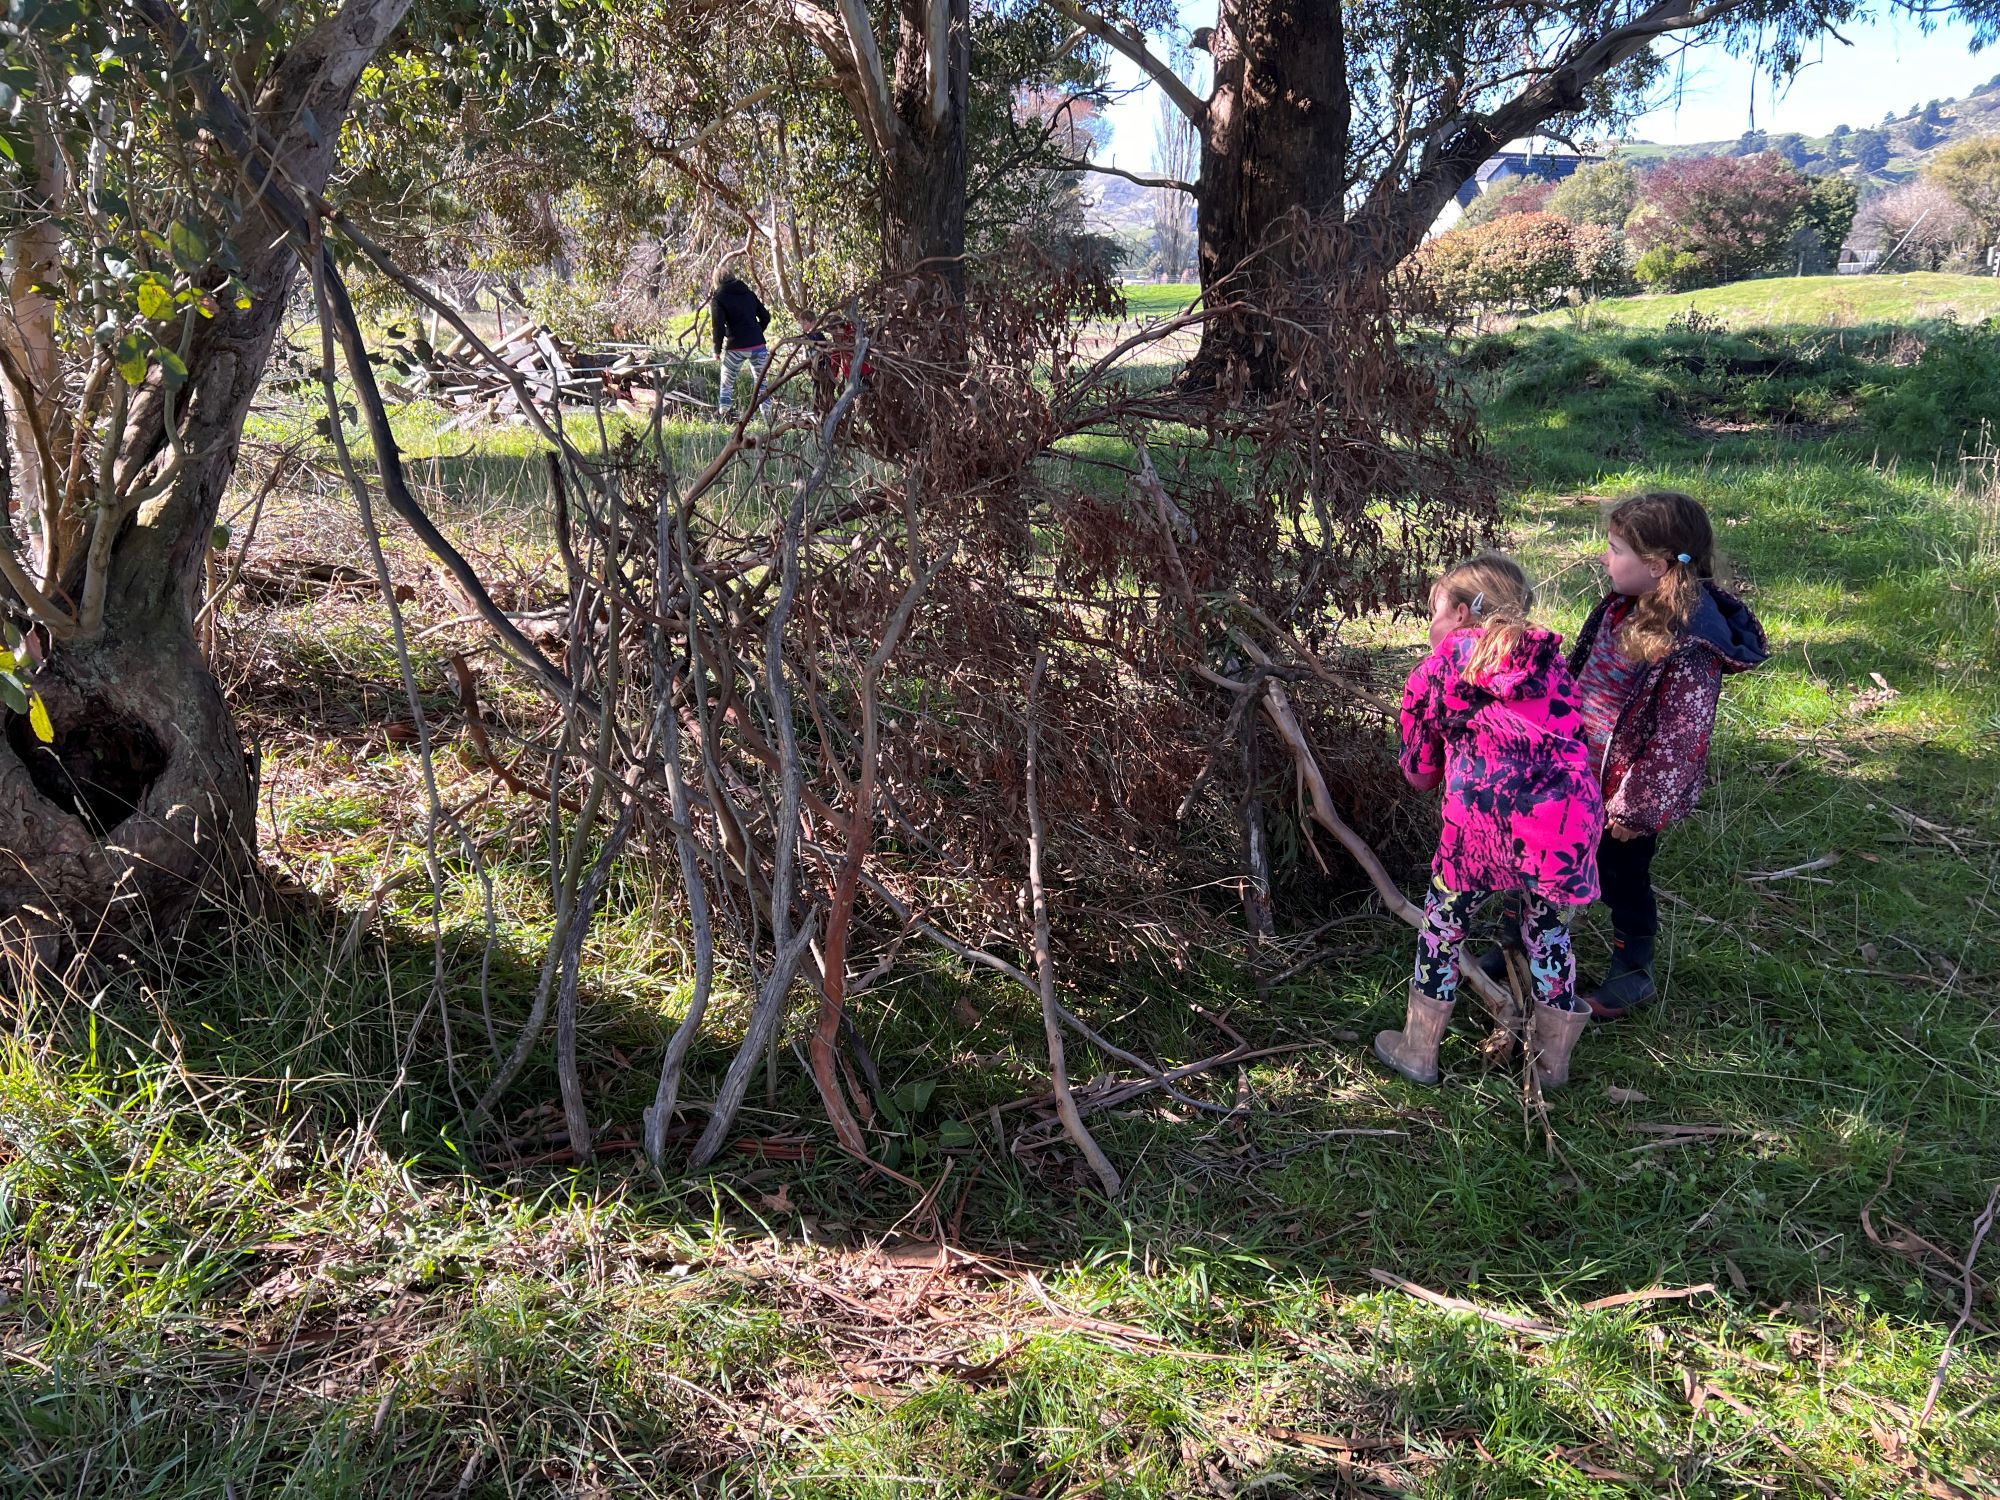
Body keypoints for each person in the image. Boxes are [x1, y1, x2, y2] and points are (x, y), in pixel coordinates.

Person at [1377, 553, 1605, 1090]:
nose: (1430, 625)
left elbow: (1420, 774)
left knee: (1442, 928)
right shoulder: (1553, 667)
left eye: (1433, 612)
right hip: (1564, 824)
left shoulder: (1435, 671)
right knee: (1548, 932)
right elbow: (1577, 736)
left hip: (1480, 828)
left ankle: (1419, 1051)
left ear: (1459, 614)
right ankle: (1551, 1067)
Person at [1565, 490, 1768, 1019]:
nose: (1604, 558)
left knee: (1621, 875)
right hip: (1573, 773)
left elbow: (1680, 739)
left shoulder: (1690, 645)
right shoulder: (1617, 608)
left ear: (1655, 565)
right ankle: (1521, 940)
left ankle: (1633, 968)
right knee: (1546, 855)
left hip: (1624, 795)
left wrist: (1637, 809)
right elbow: (1580, 675)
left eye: (1615, 550)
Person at [710, 269, 772, 417]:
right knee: (761, 382)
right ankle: (768, 416)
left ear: (717, 281)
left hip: (736, 347)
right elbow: (766, 316)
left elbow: (718, 327)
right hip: (758, 345)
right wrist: (756, 332)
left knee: (727, 381)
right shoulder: (748, 293)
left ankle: (723, 414)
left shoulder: (718, 298)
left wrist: (717, 350)